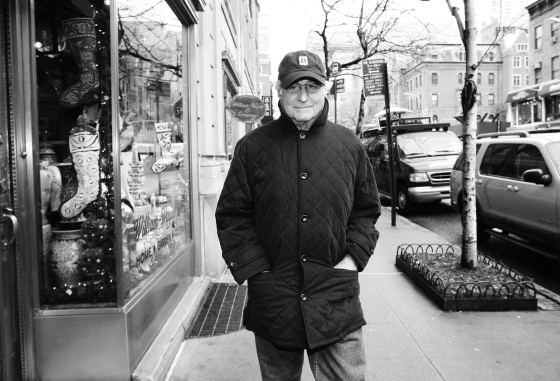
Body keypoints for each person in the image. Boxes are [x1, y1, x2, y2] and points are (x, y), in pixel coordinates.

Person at [215, 50, 381, 381]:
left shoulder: (348, 145)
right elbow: (233, 216)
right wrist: (257, 271)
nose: (303, 96)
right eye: (294, 87)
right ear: (279, 90)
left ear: (326, 89)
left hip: (335, 297)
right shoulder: (252, 148)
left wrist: (350, 262)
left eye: (312, 85)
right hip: (275, 299)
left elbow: (365, 212)